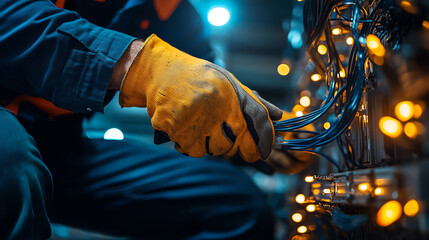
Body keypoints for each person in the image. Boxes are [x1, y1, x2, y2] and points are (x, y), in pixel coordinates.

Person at [0, 0, 302, 239]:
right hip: (11, 134)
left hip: (61, 149)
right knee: (12, 160)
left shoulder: (171, 12)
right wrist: (141, 66)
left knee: (237, 206)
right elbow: (12, 20)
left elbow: (210, 87)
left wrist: (270, 130)